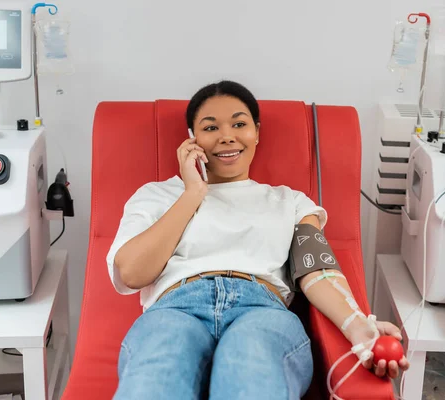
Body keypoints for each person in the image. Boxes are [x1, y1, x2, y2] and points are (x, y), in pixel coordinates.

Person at [107, 80, 409, 399]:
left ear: (257, 132)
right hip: (174, 310)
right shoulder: (156, 195)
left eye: (239, 123)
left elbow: (317, 272)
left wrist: (361, 328)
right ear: (192, 139)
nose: (227, 136)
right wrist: (192, 193)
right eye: (211, 128)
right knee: (159, 370)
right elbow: (131, 274)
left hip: (261, 309)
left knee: (251, 365)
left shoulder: (290, 202)